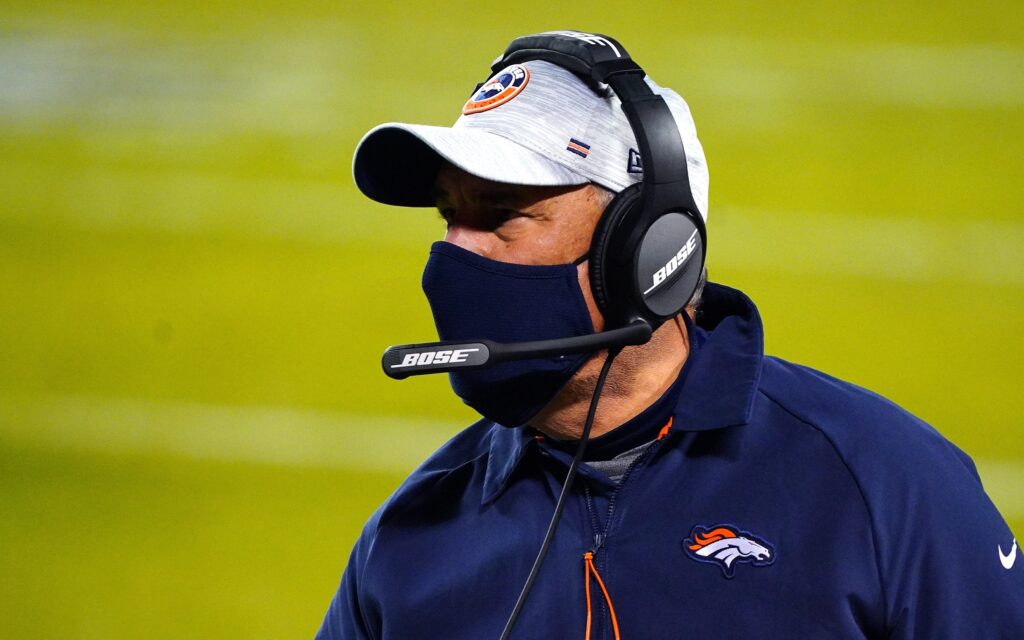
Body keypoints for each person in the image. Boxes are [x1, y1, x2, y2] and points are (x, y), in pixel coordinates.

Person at [317, 31, 1023, 639]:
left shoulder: (884, 486)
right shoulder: (405, 544)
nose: (455, 255)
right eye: (448, 216)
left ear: (646, 252)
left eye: (501, 214)